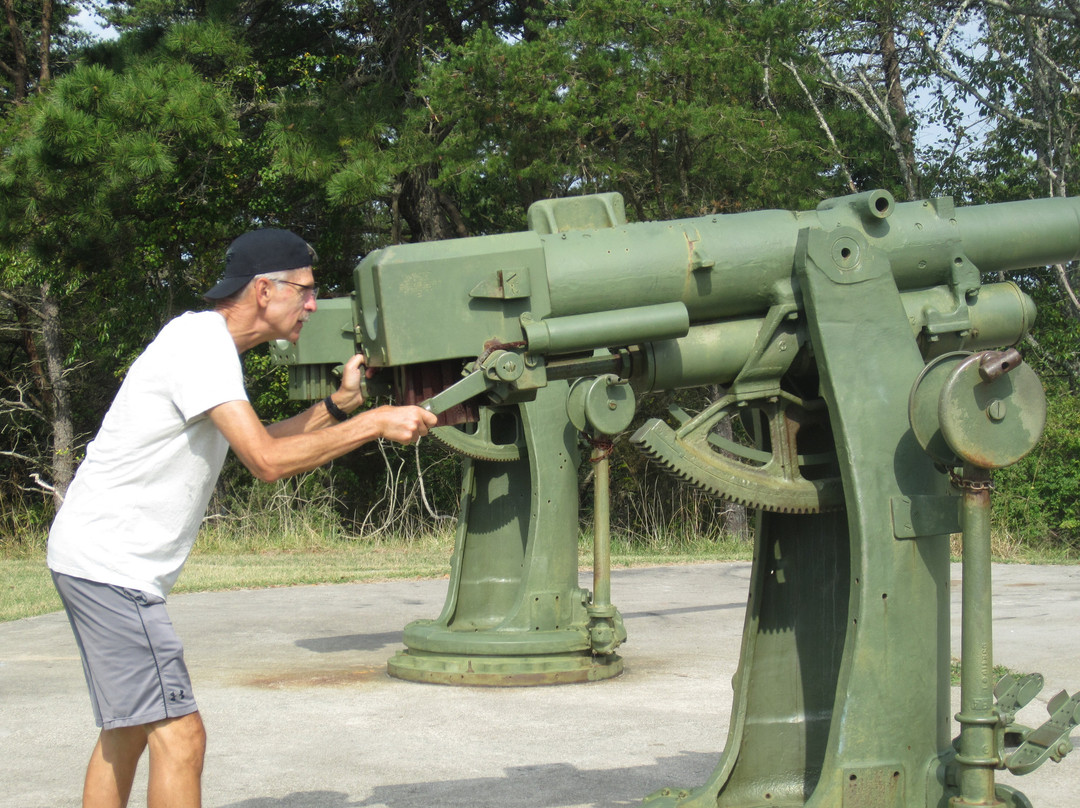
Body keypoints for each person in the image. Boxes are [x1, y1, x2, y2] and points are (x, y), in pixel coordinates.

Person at [46, 228, 438, 808]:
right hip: (112, 571)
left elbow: (254, 442)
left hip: (95, 560)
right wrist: (375, 423)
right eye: (304, 291)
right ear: (263, 290)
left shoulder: (205, 346)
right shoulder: (200, 346)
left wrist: (339, 407)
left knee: (127, 728)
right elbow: (267, 462)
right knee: (182, 735)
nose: (312, 305)